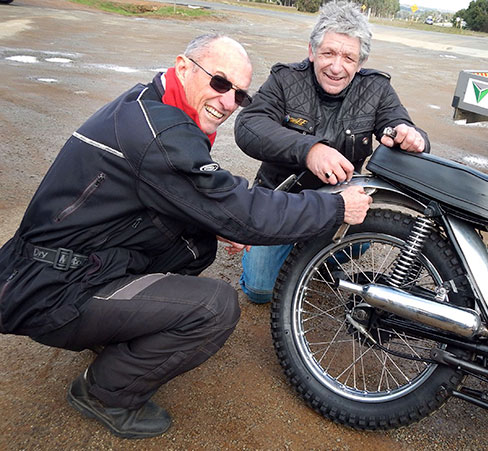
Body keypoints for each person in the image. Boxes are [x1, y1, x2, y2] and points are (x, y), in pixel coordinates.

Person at [0, 34, 371, 439]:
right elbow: (240, 209)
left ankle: (111, 333)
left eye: (240, 95)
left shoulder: (150, 104)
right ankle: (105, 392)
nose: (229, 102)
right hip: (50, 286)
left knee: (195, 246)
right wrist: (335, 208)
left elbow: (201, 201)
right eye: (220, 83)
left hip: (64, 263)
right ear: (182, 66)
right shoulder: (159, 132)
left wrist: (214, 221)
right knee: (216, 306)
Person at [235, 1, 430, 304]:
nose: (337, 67)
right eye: (328, 53)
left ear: (360, 62)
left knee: (362, 237)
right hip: (283, 204)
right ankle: (284, 252)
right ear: (312, 51)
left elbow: (399, 124)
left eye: (348, 57)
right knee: (260, 290)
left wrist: (411, 136)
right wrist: (309, 149)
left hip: (340, 209)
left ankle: (313, 258)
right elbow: (248, 126)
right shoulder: (285, 80)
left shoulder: (376, 89)